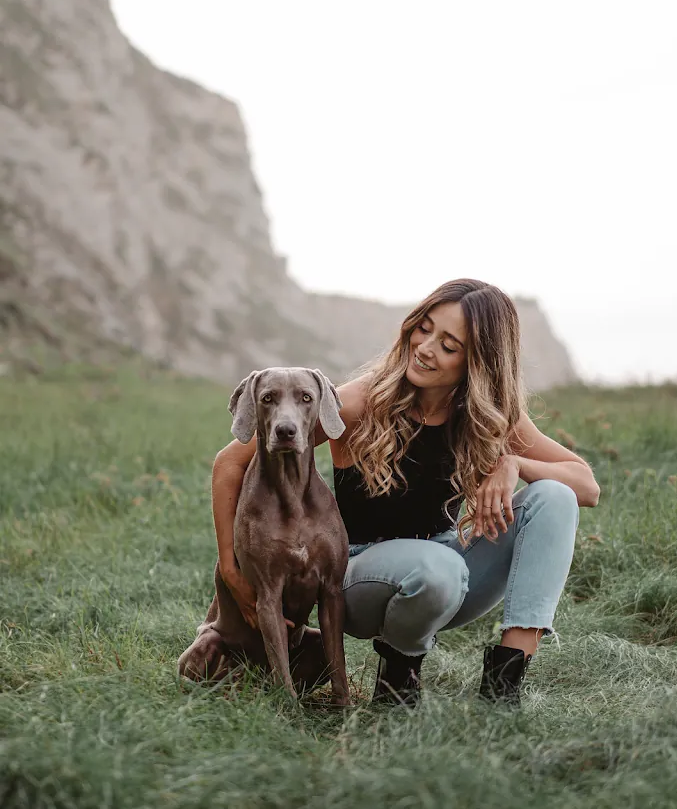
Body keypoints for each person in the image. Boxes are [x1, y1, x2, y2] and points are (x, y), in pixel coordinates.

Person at [211, 279, 599, 706]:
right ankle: (397, 677)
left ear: (478, 361)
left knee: (553, 496)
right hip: (356, 580)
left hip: (449, 570)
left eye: (449, 345)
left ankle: (503, 686)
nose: (426, 347)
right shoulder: (363, 399)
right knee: (438, 568)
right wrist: (231, 570)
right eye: (424, 327)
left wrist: (514, 464)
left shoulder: (490, 414)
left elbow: (585, 484)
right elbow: (231, 462)